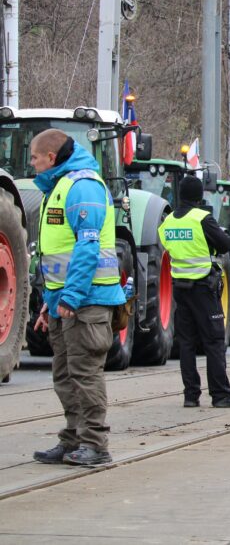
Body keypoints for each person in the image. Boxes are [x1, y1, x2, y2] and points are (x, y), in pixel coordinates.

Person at [30, 128, 125, 466]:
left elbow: (87, 247)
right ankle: (73, 439)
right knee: (65, 375)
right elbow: (61, 252)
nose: (32, 164)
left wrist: (69, 296)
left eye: (34, 158)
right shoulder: (58, 187)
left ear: (51, 157)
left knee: (85, 375)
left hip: (88, 301)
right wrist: (52, 300)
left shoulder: (82, 187)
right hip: (66, 301)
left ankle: (95, 445)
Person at [159, 175, 230, 407]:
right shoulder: (202, 218)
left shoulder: (168, 222)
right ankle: (221, 395)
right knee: (214, 341)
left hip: (180, 288)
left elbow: (171, 247)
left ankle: (191, 396)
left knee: (186, 343)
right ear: (199, 196)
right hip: (203, 288)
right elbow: (224, 245)